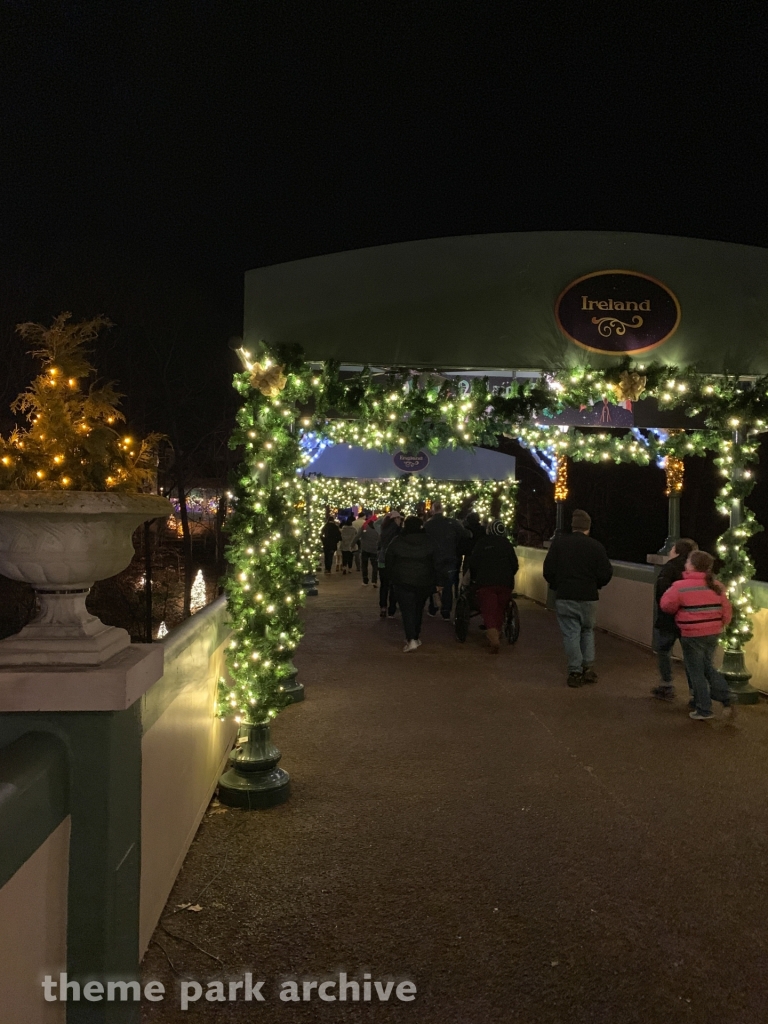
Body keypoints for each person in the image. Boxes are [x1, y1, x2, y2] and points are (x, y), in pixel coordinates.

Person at [659, 550, 735, 721]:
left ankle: (704, 708)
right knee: (707, 666)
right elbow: (727, 611)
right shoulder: (716, 586)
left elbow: (666, 605)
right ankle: (726, 698)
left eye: (687, 562)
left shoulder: (680, 586)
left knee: (696, 671)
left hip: (692, 634)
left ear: (692, 566)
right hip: (713, 632)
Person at [543, 509, 613, 687]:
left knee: (571, 633)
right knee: (587, 630)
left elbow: (548, 571)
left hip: (566, 594)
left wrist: (557, 584)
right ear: (588, 528)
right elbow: (606, 573)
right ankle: (588, 667)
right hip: (589, 596)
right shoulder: (596, 546)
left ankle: (575, 670)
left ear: (573, 526)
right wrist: (596, 585)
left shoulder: (559, 544)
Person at [651, 538, 698, 702]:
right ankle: (695, 693)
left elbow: (661, 593)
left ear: (677, 551)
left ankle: (667, 685)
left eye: (672, 549)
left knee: (663, 651)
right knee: (692, 657)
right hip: (692, 621)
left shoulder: (669, 568)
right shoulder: (698, 570)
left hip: (669, 620)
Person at [386, 516, 437, 652]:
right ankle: (415, 636)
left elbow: (389, 558)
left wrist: (392, 576)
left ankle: (411, 638)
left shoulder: (398, 541)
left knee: (407, 610)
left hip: (402, 580)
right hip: (424, 580)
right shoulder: (429, 541)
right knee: (418, 609)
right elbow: (435, 560)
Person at [468, 519, 519, 652]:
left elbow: (473, 563)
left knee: (488, 610)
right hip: (505, 583)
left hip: (486, 582)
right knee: (500, 609)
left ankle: (494, 638)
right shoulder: (507, 545)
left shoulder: (482, 543)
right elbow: (514, 565)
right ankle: (498, 630)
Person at [424, 501, 470, 620]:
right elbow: (466, 534)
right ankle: (446, 611)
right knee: (448, 585)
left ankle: (433, 608)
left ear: (432, 510)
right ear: (443, 510)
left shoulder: (428, 525)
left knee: (433, 584)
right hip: (450, 558)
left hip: (433, 559)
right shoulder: (452, 523)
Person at [377, 511, 402, 617]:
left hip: (382, 560)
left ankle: (383, 606)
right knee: (393, 586)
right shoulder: (398, 531)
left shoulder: (383, 529)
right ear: (396, 519)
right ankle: (392, 608)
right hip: (394, 562)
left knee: (384, 585)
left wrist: (386, 517)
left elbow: (375, 523)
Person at [360, 518, 380, 586]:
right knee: (375, 566)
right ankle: (374, 581)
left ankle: (365, 580)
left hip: (365, 548)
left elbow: (358, 536)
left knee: (364, 565)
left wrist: (353, 544)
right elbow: (379, 538)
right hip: (374, 549)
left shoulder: (364, 527)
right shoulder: (377, 529)